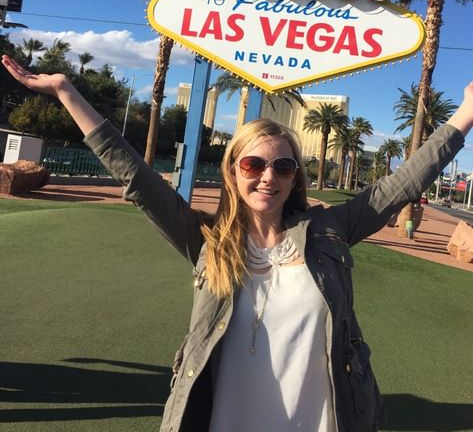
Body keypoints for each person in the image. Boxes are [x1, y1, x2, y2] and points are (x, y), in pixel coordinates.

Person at [2, 53, 473, 432]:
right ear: (232, 170)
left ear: (294, 178)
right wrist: (66, 90)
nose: (268, 177)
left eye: (283, 167)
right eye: (253, 165)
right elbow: (137, 178)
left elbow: (403, 184)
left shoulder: (329, 233)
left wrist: (466, 113)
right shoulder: (208, 241)